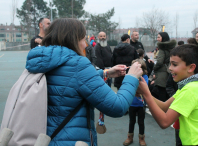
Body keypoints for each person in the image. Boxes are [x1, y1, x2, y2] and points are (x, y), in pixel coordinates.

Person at [25, 18, 143, 146]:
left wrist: (104, 73)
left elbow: (66, 80)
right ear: (73, 39)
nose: (85, 44)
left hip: (45, 138)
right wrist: (131, 77)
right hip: (72, 140)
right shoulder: (78, 64)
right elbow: (117, 106)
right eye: (82, 39)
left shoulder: (43, 60)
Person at [137, 44, 198, 146]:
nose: (170, 68)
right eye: (170, 64)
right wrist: (144, 92)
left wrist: (146, 93)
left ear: (191, 67)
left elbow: (165, 122)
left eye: (174, 64)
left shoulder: (190, 89)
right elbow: (165, 107)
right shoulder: (188, 85)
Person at [123, 59, 148, 146]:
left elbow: (144, 89)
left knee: (141, 122)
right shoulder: (130, 77)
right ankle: (130, 137)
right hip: (132, 103)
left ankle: (141, 138)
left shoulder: (144, 77)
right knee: (131, 121)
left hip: (141, 104)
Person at [152, 32, 176, 102]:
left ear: (163, 38)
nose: (157, 39)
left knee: (162, 95)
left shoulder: (162, 49)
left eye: (159, 37)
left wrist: (154, 68)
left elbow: (159, 61)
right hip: (170, 72)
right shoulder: (172, 48)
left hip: (162, 74)